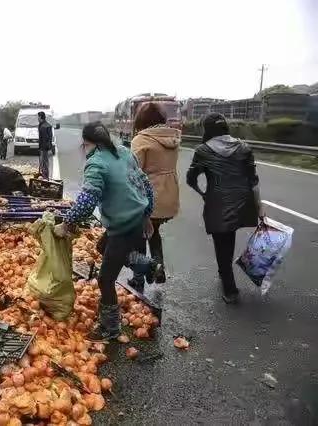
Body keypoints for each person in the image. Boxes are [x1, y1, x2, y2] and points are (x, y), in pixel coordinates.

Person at [55, 122, 156, 342]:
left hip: (123, 225)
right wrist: (147, 214)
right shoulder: (124, 152)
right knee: (102, 246)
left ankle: (110, 328)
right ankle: (148, 265)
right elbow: (145, 184)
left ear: (86, 143)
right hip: (136, 218)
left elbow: (87, 200)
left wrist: (67, 223)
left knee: (105, 280)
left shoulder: (97, 163)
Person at [186, 113, 262, 304]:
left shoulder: (203, 150)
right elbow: (253, 180)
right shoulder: (244, 147)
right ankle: (224, 274)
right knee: (229, 235)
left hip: (218, 203)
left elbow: (190, 178)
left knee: (222, 243)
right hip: (243, 202)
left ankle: (230, 290)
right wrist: (260, 207)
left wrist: (202, 193)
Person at [129, 102, 180, 289]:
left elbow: (133, 172)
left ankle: (139, 277)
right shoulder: (173, 137)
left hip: (148, 198)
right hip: (169, 196)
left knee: (139, 235)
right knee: (154, 231)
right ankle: (159, 269)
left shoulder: (141, 140)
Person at [37, 111, 53, 179]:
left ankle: (45, 178)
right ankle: (45, 177)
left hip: (43, 148)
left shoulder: (43, 126)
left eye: (38, 117)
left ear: (40, 117)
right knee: (45, 163)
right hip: (45, 148)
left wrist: (42, 149)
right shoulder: (47, 125)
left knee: (44, 164)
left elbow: (45, 139)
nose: (37, 118)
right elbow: (50, 138)